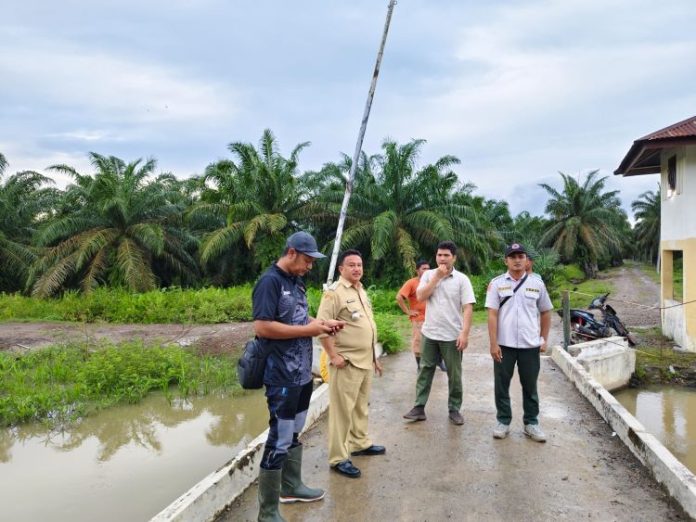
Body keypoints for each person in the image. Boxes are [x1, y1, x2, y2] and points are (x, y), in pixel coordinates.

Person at [252, 231, 345, 521]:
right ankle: (267, 513)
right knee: (279, 439)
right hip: (280, 375)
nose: (310, 266)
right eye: (307, 260)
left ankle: (290, 487)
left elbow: (300, 318)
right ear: (291, 252)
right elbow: (263, 327)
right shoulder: (270, 282)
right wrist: (309, 330)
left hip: (302, 373)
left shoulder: (297, 282)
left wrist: (322, 323)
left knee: (294, 433)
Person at [316, 249, 385, 479]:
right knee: (341, 412)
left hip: (365, 361)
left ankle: (360, 443)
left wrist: (375, 359)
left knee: (360, 407)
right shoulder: (333, 294)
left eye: (360, 264)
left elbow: (368, 326)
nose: (357, 268)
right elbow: (321, 326)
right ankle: (338, 458)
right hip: (346, 362)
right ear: (341, 269)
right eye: (352, 265)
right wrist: (333, 356)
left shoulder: (361, 290)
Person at [402, 241, 476, 426]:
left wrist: (464, 334)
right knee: (425, 370)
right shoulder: (427, 275)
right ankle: (419, 408)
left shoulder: (462, 280)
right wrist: (436, 277)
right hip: (429, 333)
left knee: (454, 374)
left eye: (446, 255)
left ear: (454, 258)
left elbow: (467, 308)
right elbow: (420, 297)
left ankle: (454, 409)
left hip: (452, 335)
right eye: (439, 255)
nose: (442, 258)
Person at [485, 242, 552, 443]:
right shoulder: (496, 283)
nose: (517, 260)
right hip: (504, 345)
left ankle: (531, 423)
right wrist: (493, 343)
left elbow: (546, 312)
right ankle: (503, 421)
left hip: (529, 346)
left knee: (530, 386)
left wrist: (543, 339)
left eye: (520, 256)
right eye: (512, 257)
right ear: (506, 260)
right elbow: (492, 315)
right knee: (501, 385)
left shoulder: (537, 284)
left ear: (526, 260)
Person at [396, 260, 430, 369]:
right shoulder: (412, 283)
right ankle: (419, 366)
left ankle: (437, 361)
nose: (426, 271)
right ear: (417, 270)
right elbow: (399, 297)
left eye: (428, 268)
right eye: (423, 268)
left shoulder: (432, 281)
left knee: (435, 341)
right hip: (419, 318)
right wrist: (407, 311)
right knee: (418, 342)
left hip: (433, 317)